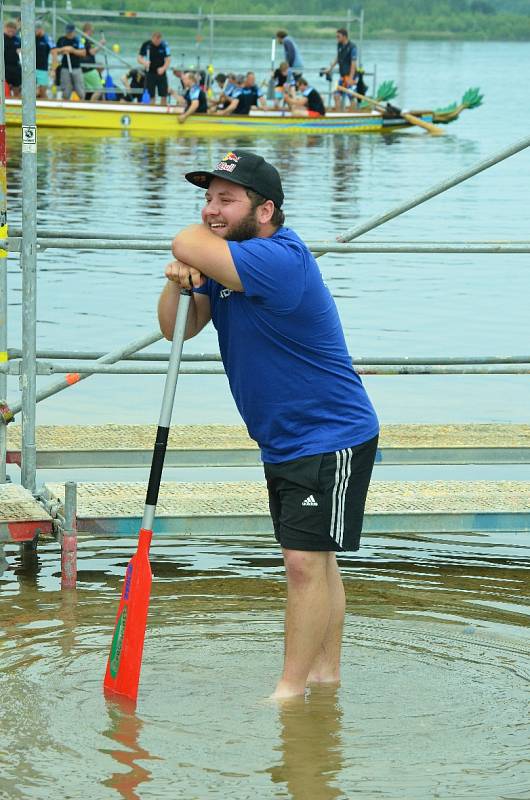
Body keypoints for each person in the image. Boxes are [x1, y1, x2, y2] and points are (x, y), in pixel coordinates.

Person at [158, 151, 379, 700]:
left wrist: (188, 249)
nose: (211, 210)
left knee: (303, 562)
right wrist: (177, 282)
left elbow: (189, 239)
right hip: (284, 436)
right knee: (317, 560)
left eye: (225, 199)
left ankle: (290, 692)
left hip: (330, 432)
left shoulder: (278, 258)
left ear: (265, 210)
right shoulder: (227, 259)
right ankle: (325, 679)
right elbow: (177, 330)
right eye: (207, 198)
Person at [324, 28, 357, 111]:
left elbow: (353, 64)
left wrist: (351, 78)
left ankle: (352, 115)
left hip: (350, 75)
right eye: (336, 37)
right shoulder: (339, 45)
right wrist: (330, 68)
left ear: (344, 37)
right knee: (336, 95)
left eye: (338, 37)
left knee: (351, 97)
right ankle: (338, 115)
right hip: (342, 76)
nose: (337, 38)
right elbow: (338, 57)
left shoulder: (352, 47)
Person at [138, 31, 171, 106]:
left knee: (164, 95)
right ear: (152, 38)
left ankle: (162, 110)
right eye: (156, 40)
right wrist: (144, 62)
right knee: (151, 95)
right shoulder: (146, 44)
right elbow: (139, 58)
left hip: (161, 73)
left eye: (159, 40)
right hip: (150, 72)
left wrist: (163, 68)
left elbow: (168, 59)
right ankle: (151, 108)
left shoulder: (165, 45)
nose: (157, 42)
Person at [55, 23, 86, 100]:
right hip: (65, 67)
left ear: (74, 31)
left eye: (70, 32)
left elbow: (83, 53)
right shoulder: (61, 40)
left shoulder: (78, 40)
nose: (68, 34)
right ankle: (65, 104)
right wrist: (63, 49)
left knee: (80, 89)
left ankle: (82, 104)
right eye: (67, 32)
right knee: (66, 90)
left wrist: (72, 50)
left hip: (76, 67)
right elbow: (55, 51)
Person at [80, 23, 105, 102]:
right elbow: (92, 52)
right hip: (89, 69)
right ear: (88, 30)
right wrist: (101, 45)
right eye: (92, 31)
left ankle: (83, 105)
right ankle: (91, 104)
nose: (92, 33)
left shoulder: (81, 39)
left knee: (86, 90)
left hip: (82, 68)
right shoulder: (88, 39)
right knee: (99, 89)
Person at [35, 21, 57, 99]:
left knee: (42, 92)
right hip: (31, 69)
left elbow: (54, 55)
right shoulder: (31, 37)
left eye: (35, 30)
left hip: (43, 69)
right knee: (33, 92)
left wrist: (53, 70)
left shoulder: (48, 39)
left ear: (40, 29)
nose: (34, 32)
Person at [3, 20, 21, 98]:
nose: (11, 30)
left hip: (15, 67)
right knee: (4, 90)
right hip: (4, 67)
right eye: (9, 28)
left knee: (16, 89)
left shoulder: (18, 40)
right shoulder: (1, 38)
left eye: (13, 29)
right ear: (5, 28)